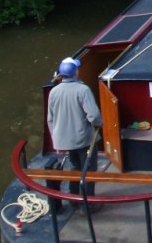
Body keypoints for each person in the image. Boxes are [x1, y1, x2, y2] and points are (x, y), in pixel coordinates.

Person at [47, 57, 103, 201]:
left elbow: (51, 119)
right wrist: (100, 124)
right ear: (75, 72)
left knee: (74, 169)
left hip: (65, 141)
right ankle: (88, 203)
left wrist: (56, 142)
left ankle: (73, 199)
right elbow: (94, 115)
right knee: (89, 171)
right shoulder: (83, 90)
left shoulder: (53, 92)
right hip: (83, 139)